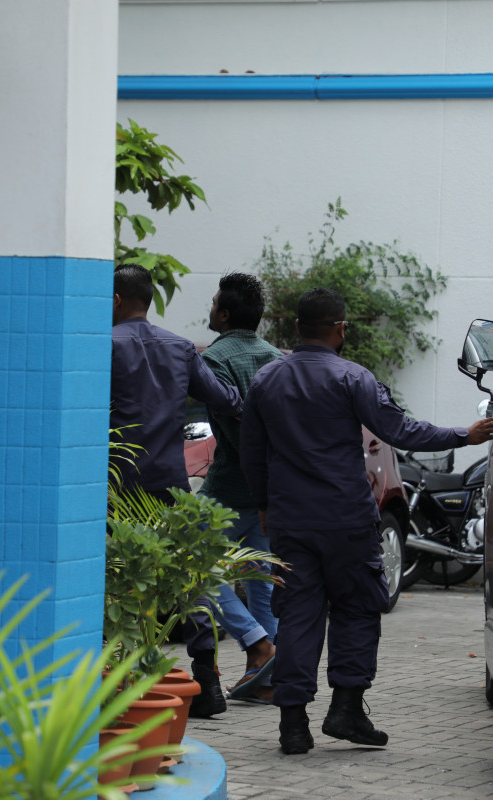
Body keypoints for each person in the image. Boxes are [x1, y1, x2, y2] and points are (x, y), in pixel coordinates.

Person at [240, 287, 493, 755]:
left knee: (298, 615)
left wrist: (263, 503)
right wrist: (465, 435)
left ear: (297, 327)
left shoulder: (266, 379)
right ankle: (346, 710)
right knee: (357, 609)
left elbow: (252, 452)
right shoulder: (353, 377)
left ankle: (293, 725)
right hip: (346, 519)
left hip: (290, 520)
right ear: (340, 329)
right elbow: (400, 430)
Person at [110, 264, 242, 715]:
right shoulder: (180, 348)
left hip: (117, 486)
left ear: (115, 300)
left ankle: (125, 683)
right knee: (187, 577)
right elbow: (225, 399)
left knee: (119, 579)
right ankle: (207, 681)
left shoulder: (103, 345)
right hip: (169, 482)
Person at [192, 273, 284, 705]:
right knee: (261, 581)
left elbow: (236, 435)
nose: (210, 309)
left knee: (189, 565)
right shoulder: (277, 358)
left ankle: (258, 645)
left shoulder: (213, 359)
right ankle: (268, 682)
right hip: (269, 492)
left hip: (228, 489)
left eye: (214, 303)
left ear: (225, 314)